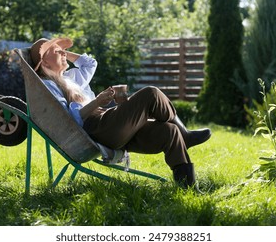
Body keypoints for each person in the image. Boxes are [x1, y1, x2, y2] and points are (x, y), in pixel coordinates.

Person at [29, 37, 211, 190]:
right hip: (97, 128)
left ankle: (188, 188)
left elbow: (90, 63)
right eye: (56, 51)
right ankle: (186, 135)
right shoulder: (49, 86)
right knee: (151, 94)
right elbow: (68, 120)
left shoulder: (71, 78)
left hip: (107, 123)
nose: (62, 52)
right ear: (44, 62)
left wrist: (62, 53)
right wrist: (97, 102)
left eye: (62, 50)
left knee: (169, 131)